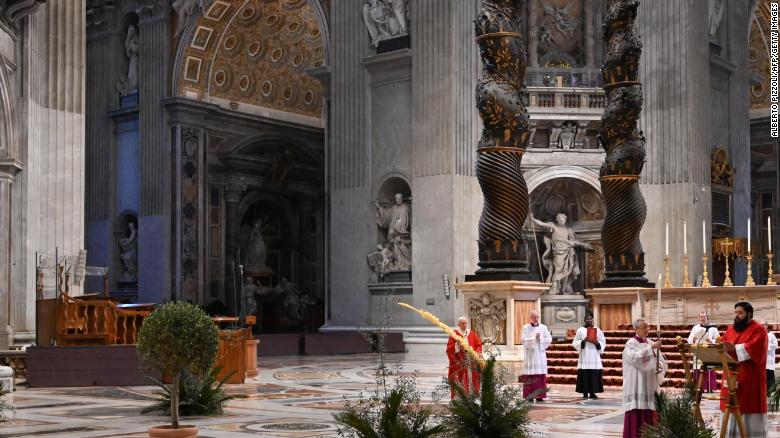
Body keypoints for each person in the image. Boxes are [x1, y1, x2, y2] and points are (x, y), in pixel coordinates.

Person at [721, 302, 768, 437]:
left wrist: (734, 348)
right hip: (731, 376)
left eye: (740, 313)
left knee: (748, 406)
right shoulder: (730, 329)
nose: (737, 316)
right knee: (730, 407)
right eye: (736, 313)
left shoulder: (759, 329)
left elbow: (754, 348)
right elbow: (723, 344)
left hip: (750, 377)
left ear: (749, 314)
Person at [622, 318, 667, 438]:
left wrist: (660, 366)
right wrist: (650, 348)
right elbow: (635, 359)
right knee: (637, 412)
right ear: (636, 329)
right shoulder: (630, 343)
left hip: (650, 384)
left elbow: (662, 361)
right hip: (637, 384)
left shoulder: (651, 342)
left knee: (650, 412)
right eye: (644, 327)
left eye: (648, 327)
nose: (647, 330)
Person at [533, 213, 593, 294]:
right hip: (558, 252)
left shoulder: (569, 230)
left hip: (568, 251)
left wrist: (584, 244)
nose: (562, 220)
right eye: (560, 219)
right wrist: (532, 218)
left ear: (565, 220)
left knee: (567, 271)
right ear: (557, 220)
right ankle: (554, 288)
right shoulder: (554, 227)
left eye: (563, 219)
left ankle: (564, 289)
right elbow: (541, 223)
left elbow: (573, 242)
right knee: (557, 270)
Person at [446, 316, 483, 399]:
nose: (464, 325)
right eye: (462, 323)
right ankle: (461, 397)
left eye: (465, 323)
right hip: (459, 362)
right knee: (461, 380)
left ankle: (473, 395)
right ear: (458, 324)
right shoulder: (454, 334)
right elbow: (449, 349)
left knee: (472, 378)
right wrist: (456, 345)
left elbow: (478, 344)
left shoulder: (471, 333)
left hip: (471, 361)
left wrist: (477, 352)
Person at [521, 310, 552, 401]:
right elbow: (523, 340)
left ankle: (540, 396)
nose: (536, 319)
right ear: (530, 318)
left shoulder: (543, 327)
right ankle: (529, 395)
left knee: (540, 375)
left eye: (537, 317)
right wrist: (534, 338)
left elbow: (549, 339)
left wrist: (540, 339)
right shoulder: (525, 327)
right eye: (534, 317)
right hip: (530, 355)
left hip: (540, 354)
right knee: (529, 375)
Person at [374, 193, 411, 269]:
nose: (398, 200)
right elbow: (386, 214)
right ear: (395, 199)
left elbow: (403, 221)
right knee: (395, 249)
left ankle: (403, 265)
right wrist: (379, 208)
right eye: (397, 198)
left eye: (400, 198)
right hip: (392, 234)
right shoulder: (394, 208)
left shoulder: (405, 207)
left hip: (400, 234)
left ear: (402, 198)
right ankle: (397, 264)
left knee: (400, 247)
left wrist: (395, 228)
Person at [572, 315, 605, 399]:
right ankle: (585, 392)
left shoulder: (598, 330)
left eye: (590, 319)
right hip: (585, 355)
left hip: (594, 355)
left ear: (592, 320)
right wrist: (584, 341)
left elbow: (603, 341)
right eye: (587, 319)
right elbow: (575, 342)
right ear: (584, 320)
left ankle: (592, 392)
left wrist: (597, 343)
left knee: (593, 374)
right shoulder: (580, 330)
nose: (589, 320)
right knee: (585, 374)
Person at [687, 311, 719, 392]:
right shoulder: (695, 327)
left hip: (709, 350)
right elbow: (689, 339)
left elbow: (718, 339)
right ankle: (699, 387)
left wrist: (711, 341)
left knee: (709, 369)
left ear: (707, 317)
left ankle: (709, 388)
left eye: (704, 316)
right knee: (698, 368)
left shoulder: (713, 327)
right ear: (699, 318)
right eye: (701, 317)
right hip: (698, 350)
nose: (702, 318)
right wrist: (693, 339)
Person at [762, 320, 778, 396]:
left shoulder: (771, 335)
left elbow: (775, 345)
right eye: (761, 325)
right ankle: (763, 392)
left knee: (769, 375)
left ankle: (769, 392)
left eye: (763, 325)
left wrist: (766, 347)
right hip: (761, 360)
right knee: (762, 376)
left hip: (769, 359)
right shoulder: (758, 335)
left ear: (766, 325)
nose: (762, 326)